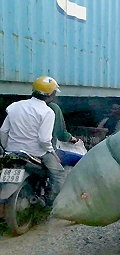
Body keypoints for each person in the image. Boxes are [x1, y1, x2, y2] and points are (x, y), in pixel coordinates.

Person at [0, 76, 66, 206]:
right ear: (51, 95)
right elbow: (44, 140)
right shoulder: (48, 112)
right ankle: (51, 203)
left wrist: (6, 148)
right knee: (59, 174)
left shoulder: (15, 106)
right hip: (36, 153)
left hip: (13, 152)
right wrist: (53, 153)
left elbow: (3, 131)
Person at [48, 102, 84, 166]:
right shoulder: (53, 108)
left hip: (27, 151)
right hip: (47, 153)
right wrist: (72, 138)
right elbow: (61, 135)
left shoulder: (25, 106)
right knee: (82, 160)